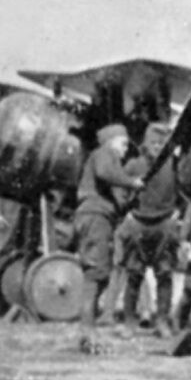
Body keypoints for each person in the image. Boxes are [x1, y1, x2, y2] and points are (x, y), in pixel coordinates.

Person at [104, 125, 182, 333]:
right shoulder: (134, 165)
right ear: (146, 144)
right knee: (134, 274)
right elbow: (117, 188)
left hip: (165, 224)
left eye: (161, 143)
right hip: (138, 224)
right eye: (153, 143)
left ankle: (162, 322)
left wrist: (178, 214)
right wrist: (126, 212)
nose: (157, 147)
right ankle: (130, 323)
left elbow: (186, 190)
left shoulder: (174, 165)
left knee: (164, 274)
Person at [76, 124, 142, 323]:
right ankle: (86, 328)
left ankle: (88, 323)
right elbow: (104, 172)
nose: (126, 150)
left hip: (100, 217)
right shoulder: (104, 153)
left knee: (101, 272)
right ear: (111, 141)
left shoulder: (112, 162)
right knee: (96, 271)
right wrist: (132, 182)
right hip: (95, 216)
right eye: (123, 144)